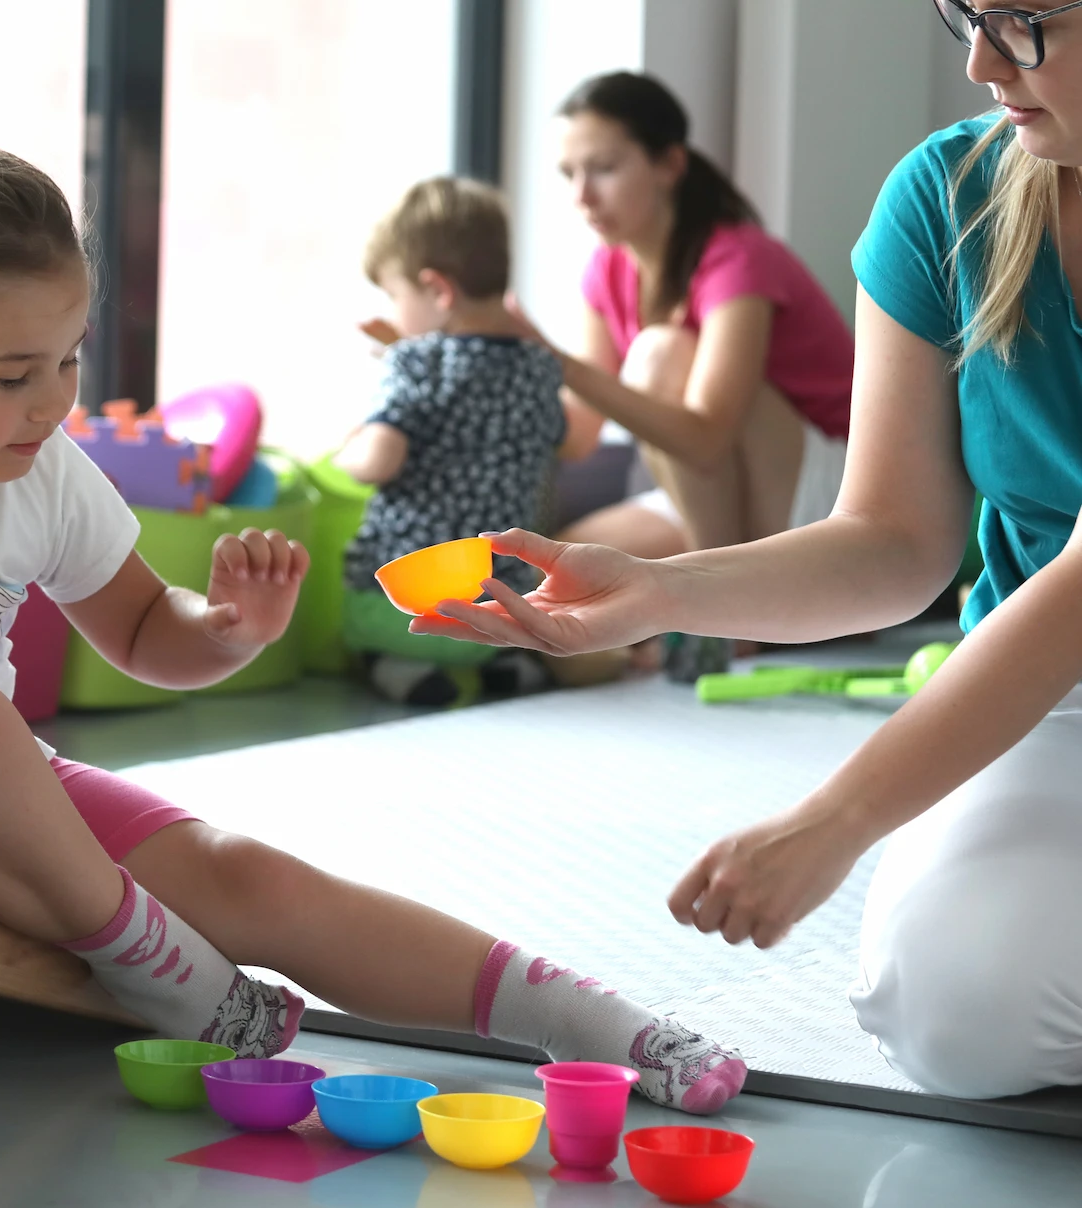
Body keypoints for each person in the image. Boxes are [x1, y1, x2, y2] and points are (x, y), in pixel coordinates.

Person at [0, 143, 745, 1111]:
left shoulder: (42, 466)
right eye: (11, 375)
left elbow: (142, 627)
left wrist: (229, 628)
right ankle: (175, 980)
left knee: (247, 876)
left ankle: (599, 1025)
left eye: (69, 359)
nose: (51, 402)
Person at [413, 2, 1082, 1100]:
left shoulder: (734, 264)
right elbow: (895, 538)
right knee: (946, 1013)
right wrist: (655, 591)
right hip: (1046, 688)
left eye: (1021, 20)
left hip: (1049, 629)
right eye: (965, 13)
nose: (977, 61)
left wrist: (837, 816)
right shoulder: (946, 194)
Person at [519, 72, 855, 562]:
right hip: (717, 491)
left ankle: (718, 599)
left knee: (658, 353)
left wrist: (559, 362)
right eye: (568, 174)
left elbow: (707, 441)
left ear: (670, 164)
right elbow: (580, 434)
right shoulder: (607, 268)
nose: (581, 196)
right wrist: (492, 367)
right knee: (554, 567)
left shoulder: (738, 259)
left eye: (603, 169)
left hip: (833, 486)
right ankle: (717, 587)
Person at [336, 176, 582, 705]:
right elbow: (569, 444)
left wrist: (346, 451)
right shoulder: (540, 368)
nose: (394, 312)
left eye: (395, 295)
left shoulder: (414, 361)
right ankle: (504, 666)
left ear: (438, 290)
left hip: (410, 610)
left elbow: (379, 459)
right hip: (507, 607)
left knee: (360, 598)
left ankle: (392, 662)